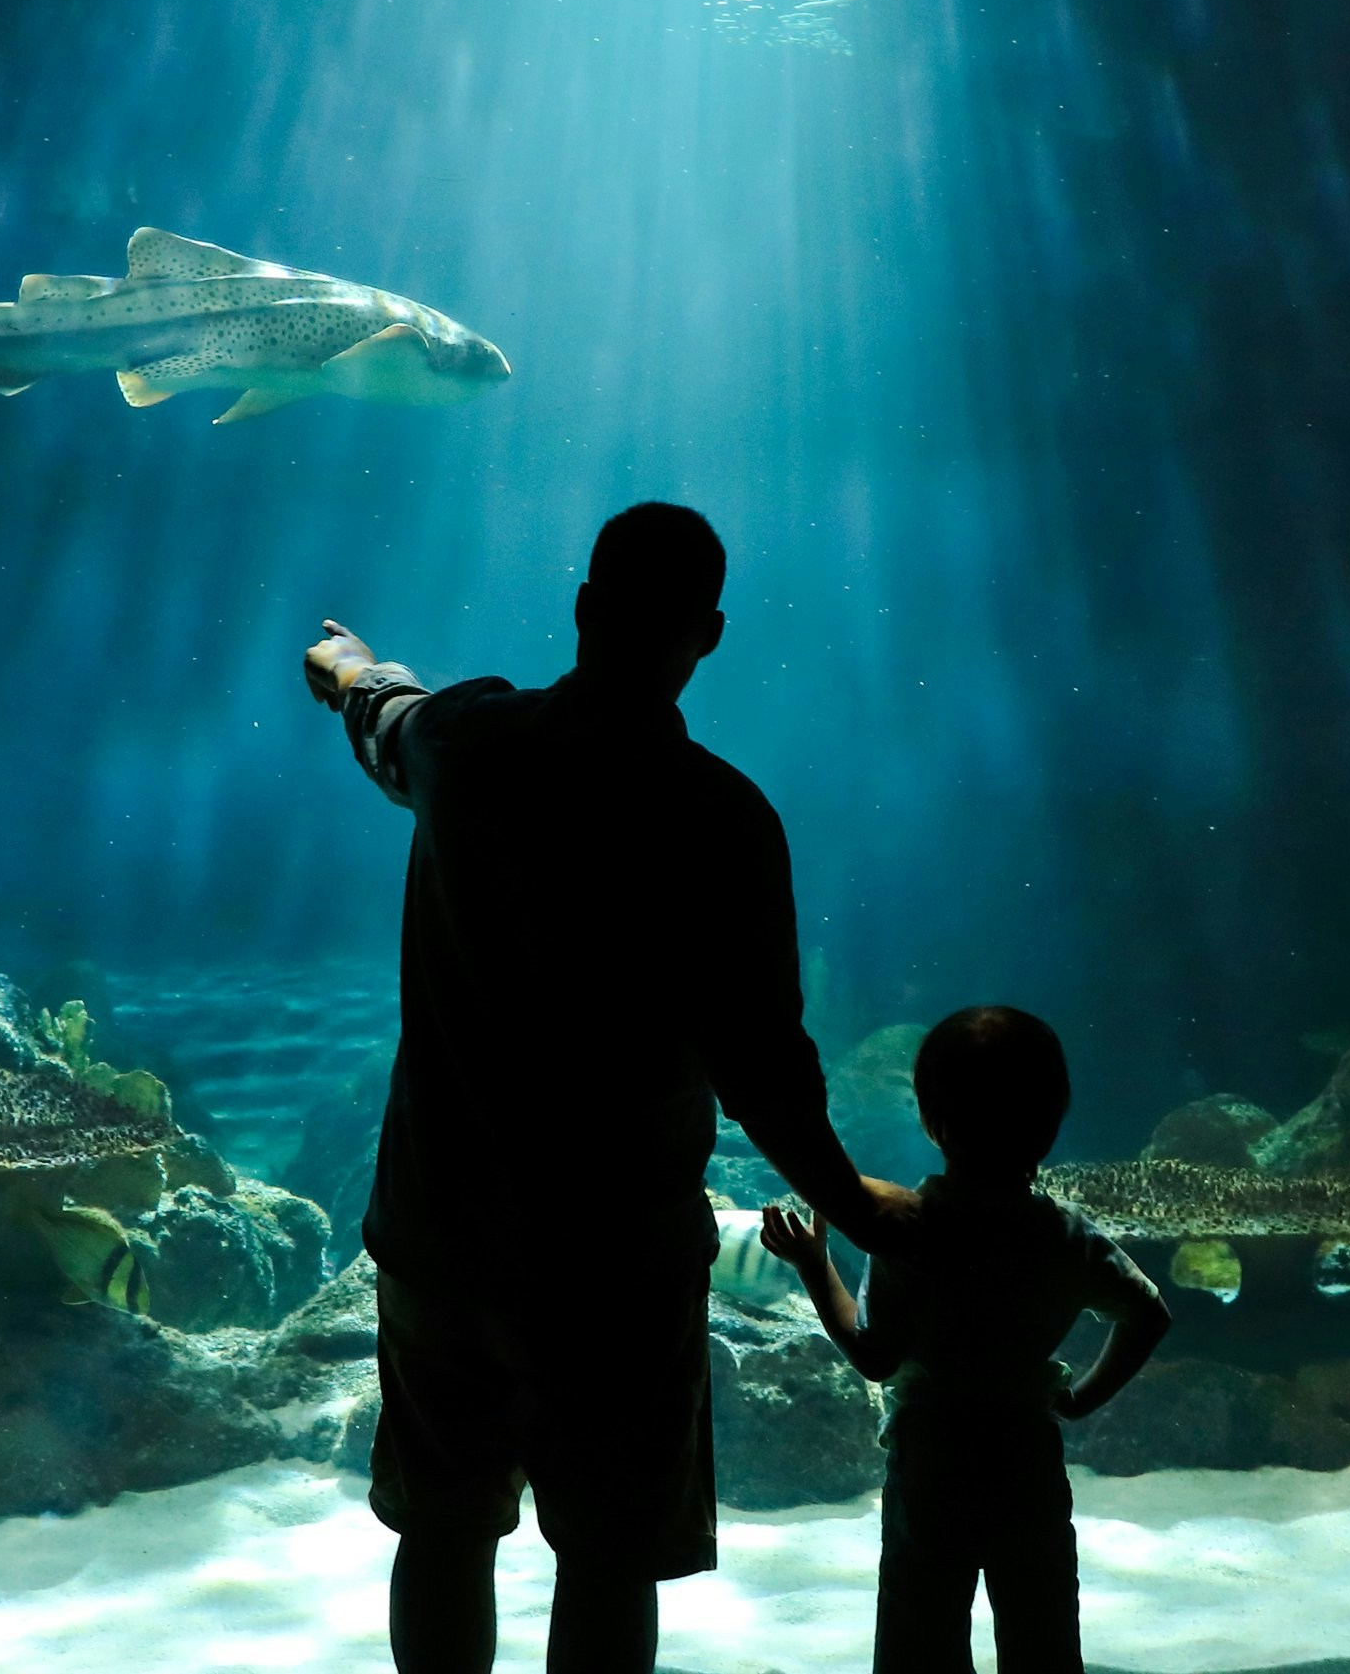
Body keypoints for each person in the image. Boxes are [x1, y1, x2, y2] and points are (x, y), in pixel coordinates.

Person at [302, 501, 922, 1674]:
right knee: (609, 1550)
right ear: (712, 634)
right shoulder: (724, 821)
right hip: (620, 1256)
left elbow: (386, 709)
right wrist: (861, 1207)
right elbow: (767, 1074)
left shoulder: (468, 748)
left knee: (442, 1524)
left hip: (447, 1229)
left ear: (584, 608)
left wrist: (345, 666)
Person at [758, 1006, 1172, 1674]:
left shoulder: (910, 1229)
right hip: (1026, 1454)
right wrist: (1080, 1398)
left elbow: (874, 1355)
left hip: (933, 1456)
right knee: (1039, 1629)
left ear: (932, 1121)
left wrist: (814, 1265)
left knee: (919, 1632)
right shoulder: (1068, 1237)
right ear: (1049, 1125)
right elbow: (1148, 1315)